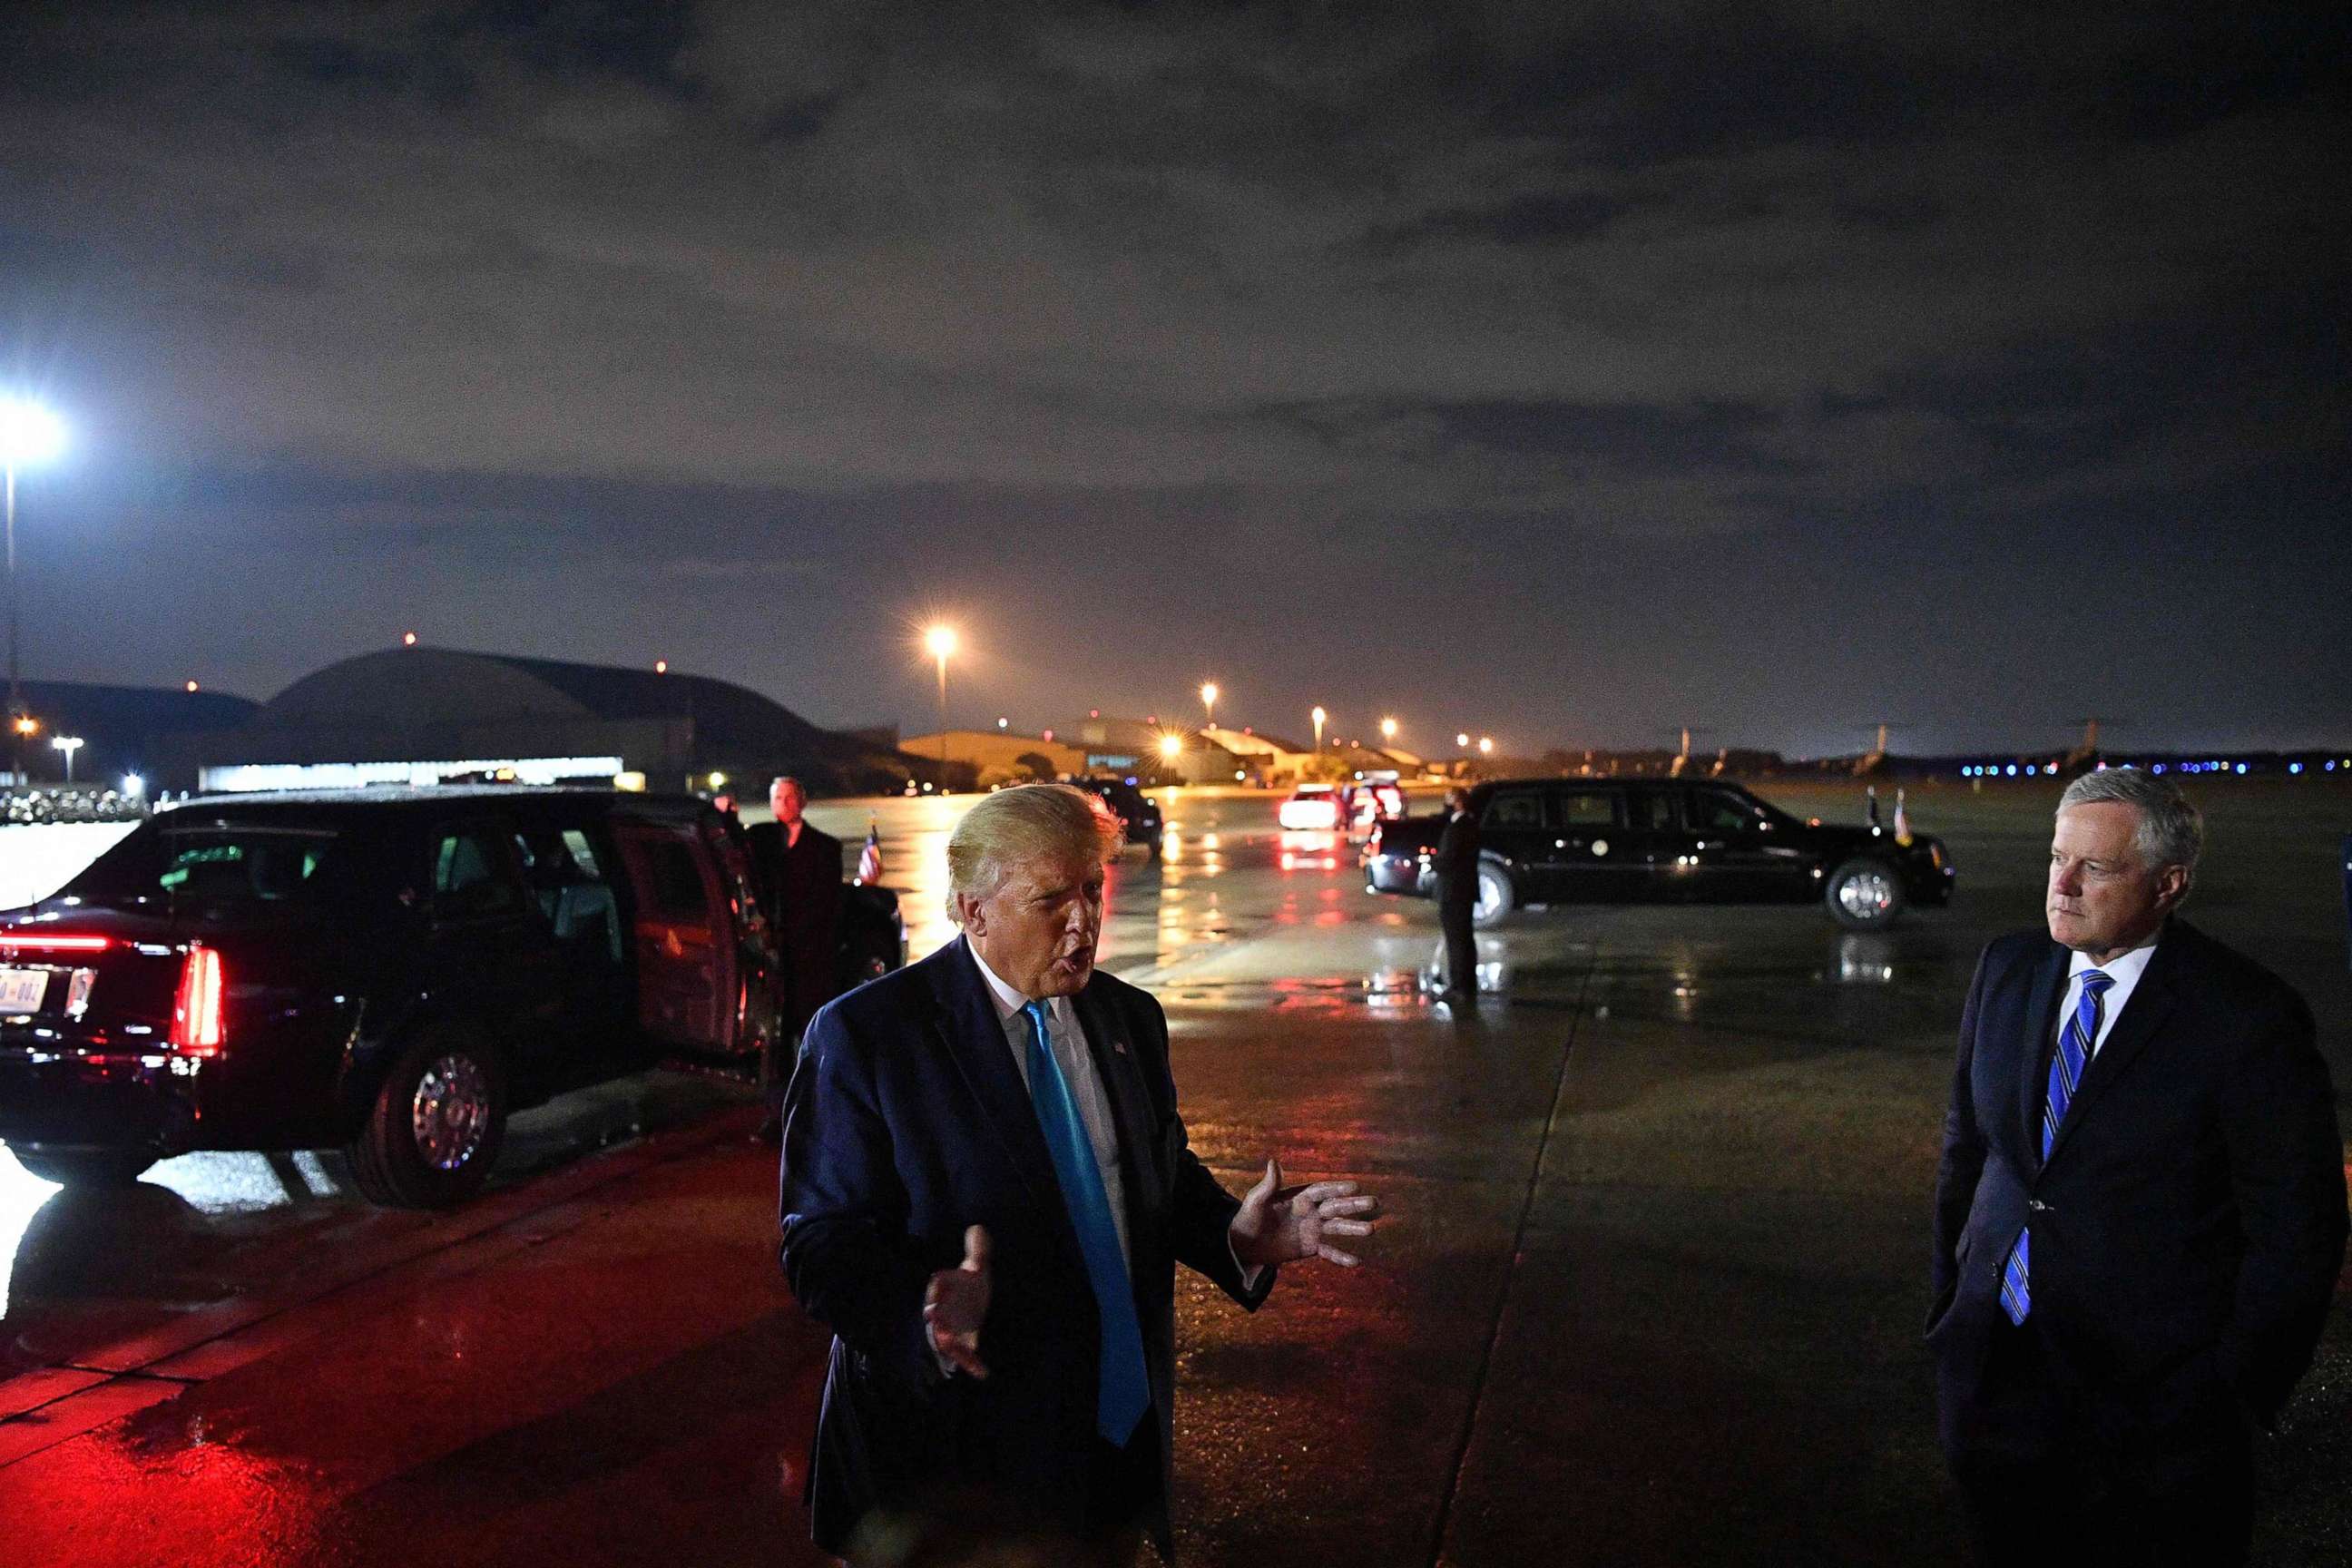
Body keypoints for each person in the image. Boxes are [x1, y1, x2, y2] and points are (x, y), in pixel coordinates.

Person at [779, 783, 1380, 1563]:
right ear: (973, 909)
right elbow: (819, 1239)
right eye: (1050, 900)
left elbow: (1145, 1173)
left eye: (1092, 891)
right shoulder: (870, 1036)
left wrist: (1236, 1233)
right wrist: (917, 1307)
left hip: (1111, 1446)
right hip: (956, 1473)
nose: (1084, 922)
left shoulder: (1128, 1017)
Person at [1929, 768, 2345, 1565]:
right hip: (1994, 1379)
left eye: (2097, 868)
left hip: (2158, 1416)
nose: (2061, 885)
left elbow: (2299, 1227)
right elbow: (1968, 1151)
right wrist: (1952, 1307)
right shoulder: (2006, 970)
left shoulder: (2245, 1016)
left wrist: (2229, 1393)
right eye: (2057, 858)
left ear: (2169, 884)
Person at [748, 776, 842, 1141]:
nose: (783, 803)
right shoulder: (760, 841)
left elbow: (829, 909)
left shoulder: (824, 847)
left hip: (811, 961)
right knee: (775, 1045)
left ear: (802, 802)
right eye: (777, 797)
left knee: (813, 1038)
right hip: (774, 965)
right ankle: (778, 1116)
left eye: (789, 797)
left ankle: (822, 1113)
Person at [1430, 787, 1480, 1003]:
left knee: (1456, 940)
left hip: (1453, 891)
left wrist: (1431, 862)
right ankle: (1468, 985)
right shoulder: (1471, 825)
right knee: (1466, 939)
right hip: (1466, 889)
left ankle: (1458, 987)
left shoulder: (1456, 828)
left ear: (1458, 803)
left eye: (1449, 800)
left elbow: (1449, 859)